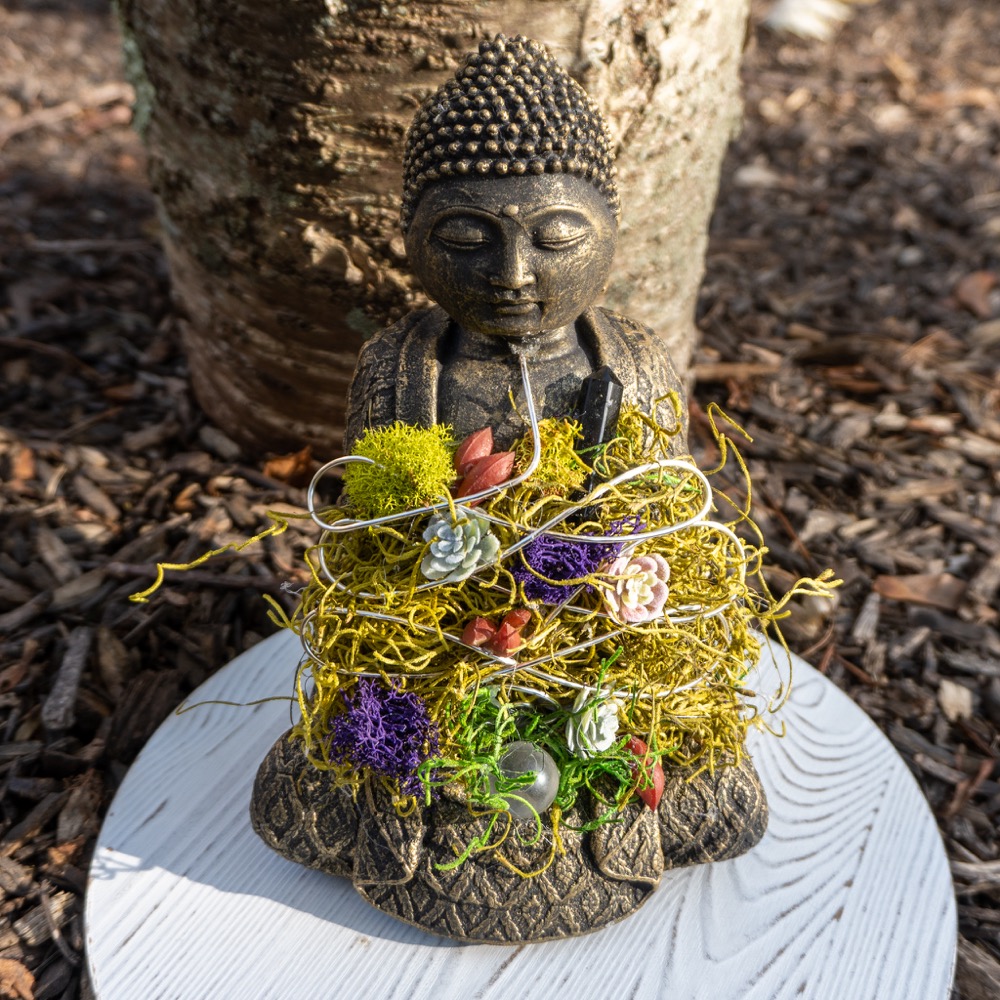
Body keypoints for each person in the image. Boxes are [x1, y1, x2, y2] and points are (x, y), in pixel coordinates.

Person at [344, 34, 687, 452]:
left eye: (555, 237)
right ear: (409, 232)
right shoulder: (392, 367)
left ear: (611, 228)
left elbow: (667, 498)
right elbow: (369, 505)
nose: (513, 275)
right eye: (466, 238)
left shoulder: (638, 360)